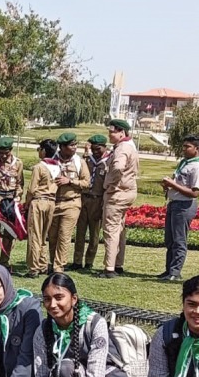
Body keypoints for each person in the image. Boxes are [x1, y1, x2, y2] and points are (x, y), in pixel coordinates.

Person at [32, 273, 139, 377]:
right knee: (65, 369)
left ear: (74, 299)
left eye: (59, 297)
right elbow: (41, 376)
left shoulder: (95, 324)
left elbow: (94, 376)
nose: (52, 304)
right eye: (47, 299)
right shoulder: (43, 329)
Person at [157, 134, 199, 282]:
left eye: (187, 147)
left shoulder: (197, 167)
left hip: (185, 205)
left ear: (196, 148)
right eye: (184, 146)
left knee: (179, 240)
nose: (184, 149)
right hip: (174, 203)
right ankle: (168, 270)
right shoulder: (185, 163)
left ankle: (175, 272)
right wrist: (168, 186)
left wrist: (173, 185)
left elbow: (194, 192)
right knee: (170, 239)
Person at [101, 118, 139, 279]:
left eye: (112, 131)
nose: (109, 135)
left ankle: (109, 268)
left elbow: (117, 167)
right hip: (128, 192)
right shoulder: (130, 146)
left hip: (117, 193)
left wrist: (111, 183)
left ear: (121, 132)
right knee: (120, 229)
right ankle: (118, 263)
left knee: (111, 230)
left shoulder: (122, 148)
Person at [48, 132, 89, 274]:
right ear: (62, 147)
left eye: (76, 144)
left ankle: (59, 267)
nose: (75, 147)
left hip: (71, 203)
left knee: (64, 235)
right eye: (72, 145)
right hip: (54, 202)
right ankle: (52, 261)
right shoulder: (52, 160)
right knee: (52, 236)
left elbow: (86, 182)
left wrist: (70, 181)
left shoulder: (79, 162)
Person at [72, 134, 109, 271]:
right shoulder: (87, 160)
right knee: (80, 232)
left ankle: (89, 261)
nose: (96, 152)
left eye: (98, 149)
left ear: (105, 147)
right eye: (93, 149)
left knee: (94, 234)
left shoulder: (108, 161)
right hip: (84, 197)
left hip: (97, 199)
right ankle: (77, 261)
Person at [25, 139, 60, 278]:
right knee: (44, 235)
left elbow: (32, 188)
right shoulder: (58, 167)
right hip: (51, 201)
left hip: (39, 201)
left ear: (44, 151)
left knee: (35, 234)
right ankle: (43, 264)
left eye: (39, 149)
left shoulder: (39, 167)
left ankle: (33, 268)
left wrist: (27, 203)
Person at [0, 138, 25, 268]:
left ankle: (4, 262)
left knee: (9, 235)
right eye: (1, 153)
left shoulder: (18, 164)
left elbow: (20, 183)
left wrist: (18, 196)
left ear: (11, 150)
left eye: (6, 153)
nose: (3, 156)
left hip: (10, 202)